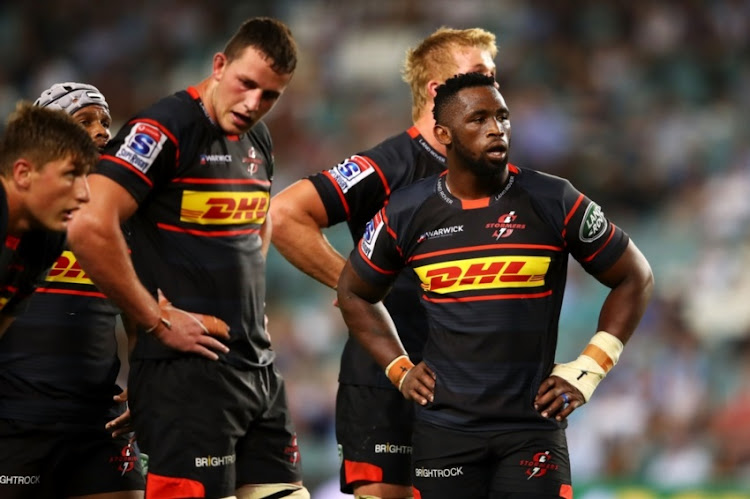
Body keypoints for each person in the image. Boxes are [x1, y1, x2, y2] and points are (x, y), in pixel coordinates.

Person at [336, 73, 654, 498]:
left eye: (502, 117)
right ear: (444, 134)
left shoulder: (553, 199)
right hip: (443, 433)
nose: (496, 128)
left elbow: (635, 276)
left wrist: (590, 369)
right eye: (479, 118)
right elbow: (353, 291)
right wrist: (399, 368)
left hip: (531, 429)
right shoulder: (406, 211)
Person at [66, 17, 309, 499]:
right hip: (187, 375)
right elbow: (90, 223)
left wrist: (249, 295)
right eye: (246, 84)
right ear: (219, 65)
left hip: (256, 368)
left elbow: (259, 219)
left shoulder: (258, 138)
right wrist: (154, 322)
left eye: (270, 95)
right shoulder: (163, 129)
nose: (253, 104)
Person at [270, 27, 497, 499]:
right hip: (387, 377)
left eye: (493, 75)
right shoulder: (386, 165)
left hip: (472, 387)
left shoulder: (497, 177)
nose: (492, 85)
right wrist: (354, 287)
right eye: (478, 73)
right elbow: (286, 215)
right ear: (438, 90)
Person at [0, 82, 147, 499]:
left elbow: (137, 318)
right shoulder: (20, 218)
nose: (102, 131)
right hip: (15, 422)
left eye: (104, 120)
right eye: (85, 121)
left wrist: (143, 381)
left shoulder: (125, 218)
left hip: (98, 422)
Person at [0, 101, 96, 337]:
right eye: (70, 174)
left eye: (85, 176)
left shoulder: (48, 238)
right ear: (23, 174)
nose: (85, 193)